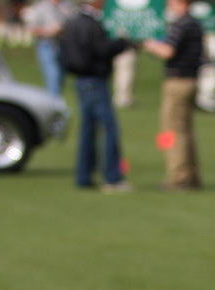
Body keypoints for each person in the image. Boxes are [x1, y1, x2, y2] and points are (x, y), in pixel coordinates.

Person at [58, 0, 133, 192]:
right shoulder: (90, 24)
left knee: (88, 130)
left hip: (81, 81)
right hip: (94, 80)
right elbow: (101, 50)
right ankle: (112, 177)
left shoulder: (73, 22)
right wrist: (122, 43)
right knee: (109, 128)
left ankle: (84, 176)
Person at [141, 0, 203, 191]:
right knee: (185, 130)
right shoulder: (195, 24)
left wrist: (149, 45)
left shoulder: (181, 25)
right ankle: (190, 174)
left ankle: (179, 177)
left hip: (177, 82)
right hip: (191, 80)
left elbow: (168, 51)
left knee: (173, 130)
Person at [22, 0, 69, 96]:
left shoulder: (66, 6)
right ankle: (53, 104)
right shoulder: (40, 8)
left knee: (61, 78)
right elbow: (31, 29)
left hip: (63, 45)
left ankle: (56, 103)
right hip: (47, 45)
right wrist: (47, 30)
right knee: (53, 76)